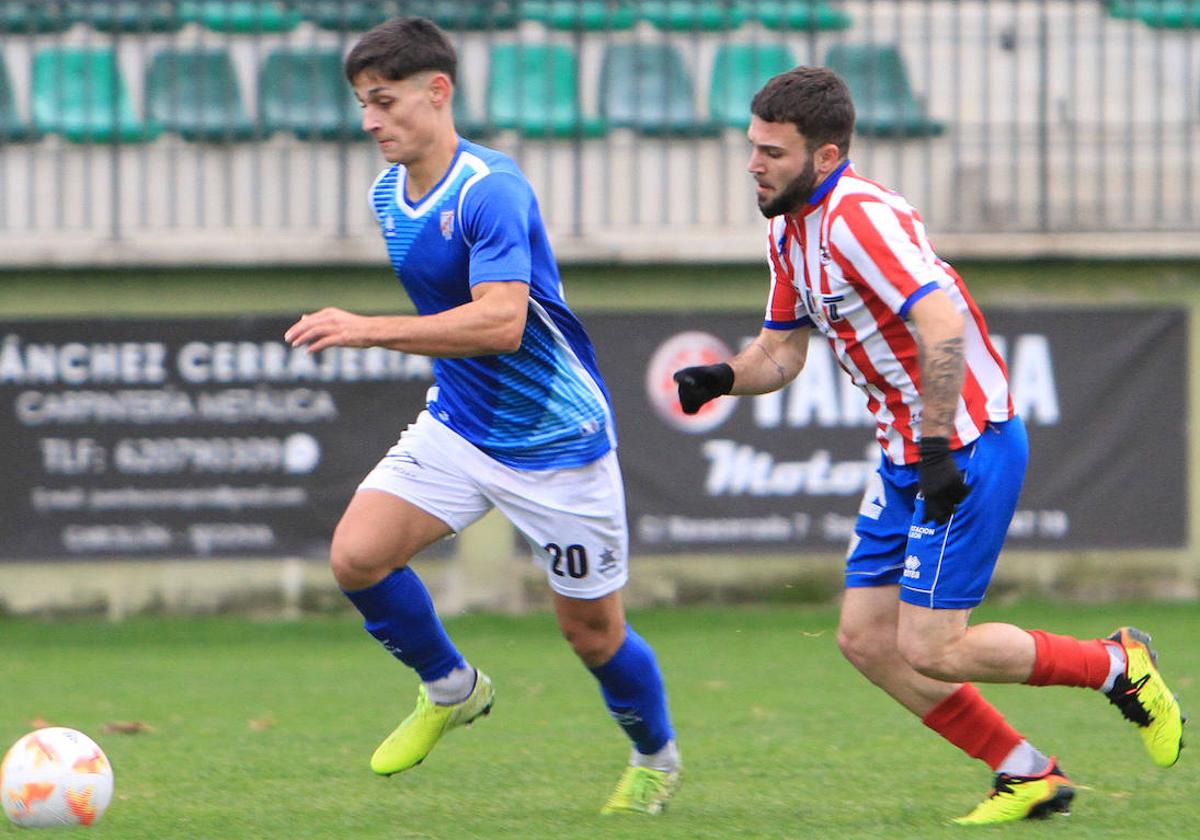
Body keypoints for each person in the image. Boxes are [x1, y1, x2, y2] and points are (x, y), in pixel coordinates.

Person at [673, 66, 1185, 825]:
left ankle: (1118, 665)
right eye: (752, 147)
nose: (754, 163)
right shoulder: (786, 226)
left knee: (935, 646)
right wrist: (722, 375)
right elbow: (781, 354)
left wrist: (939, 444)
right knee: (866, 639)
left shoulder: (860, 218)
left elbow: (940, 322)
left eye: (772, 152)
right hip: (906, 451)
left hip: (966, 442)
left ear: (824, 154)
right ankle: (1026, 772)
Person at [284, 17, 680, 816]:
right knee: (357, 557)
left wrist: (365, 327)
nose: (371, 121)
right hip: (461, 426)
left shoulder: (490, 188)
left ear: (439, 92)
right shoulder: (388, 192)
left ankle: (655, 758)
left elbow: (500, 322)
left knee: (593, 636)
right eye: (363, 104)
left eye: (386, 101)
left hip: (557, 443)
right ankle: (450, 685)